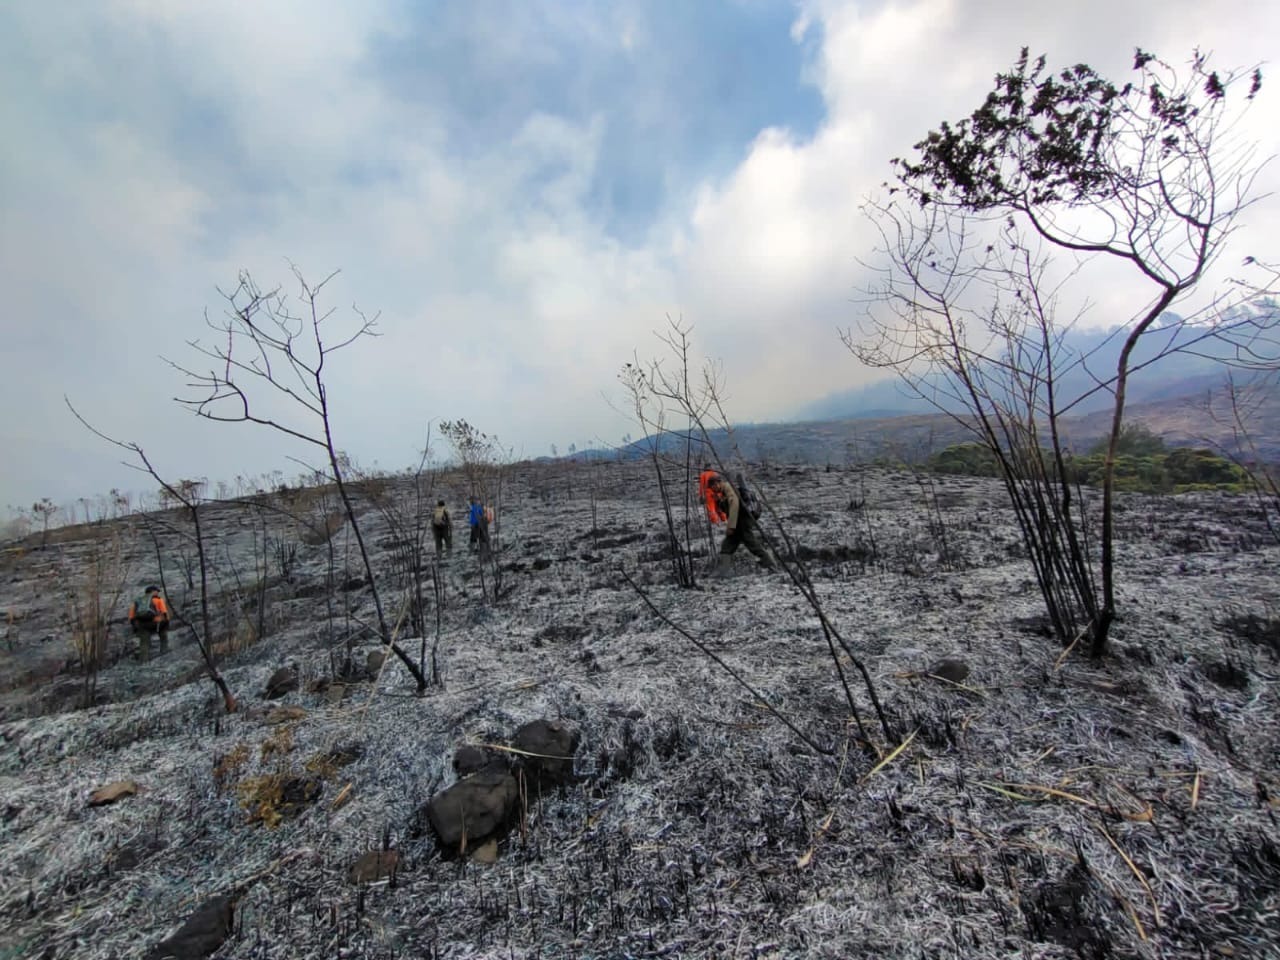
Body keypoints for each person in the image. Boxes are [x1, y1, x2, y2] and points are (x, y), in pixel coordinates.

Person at [707, 475, 774, 575]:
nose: (713, 489)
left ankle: (772, 565)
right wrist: (719, 502)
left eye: (712, 486)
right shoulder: (725, 492)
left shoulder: (729, 489)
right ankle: (723, 571)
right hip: (739, 521)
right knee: (727, 546)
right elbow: (728, 508)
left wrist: (731, 527)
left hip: (742, 521)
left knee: (752, 544)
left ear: (717, 483)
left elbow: (734, 507)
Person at [128, 584, 171, 661]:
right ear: (152, 592)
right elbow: (164, 612)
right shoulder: (158, 600)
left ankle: (144, 660)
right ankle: (164, 650)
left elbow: (131, 616)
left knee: (144, 642)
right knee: (163, 634)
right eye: (157, 591)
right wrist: (167, 622)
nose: (158, 593)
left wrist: (134, 627)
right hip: (156, 623)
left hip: (142, 625)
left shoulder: (137, 601)